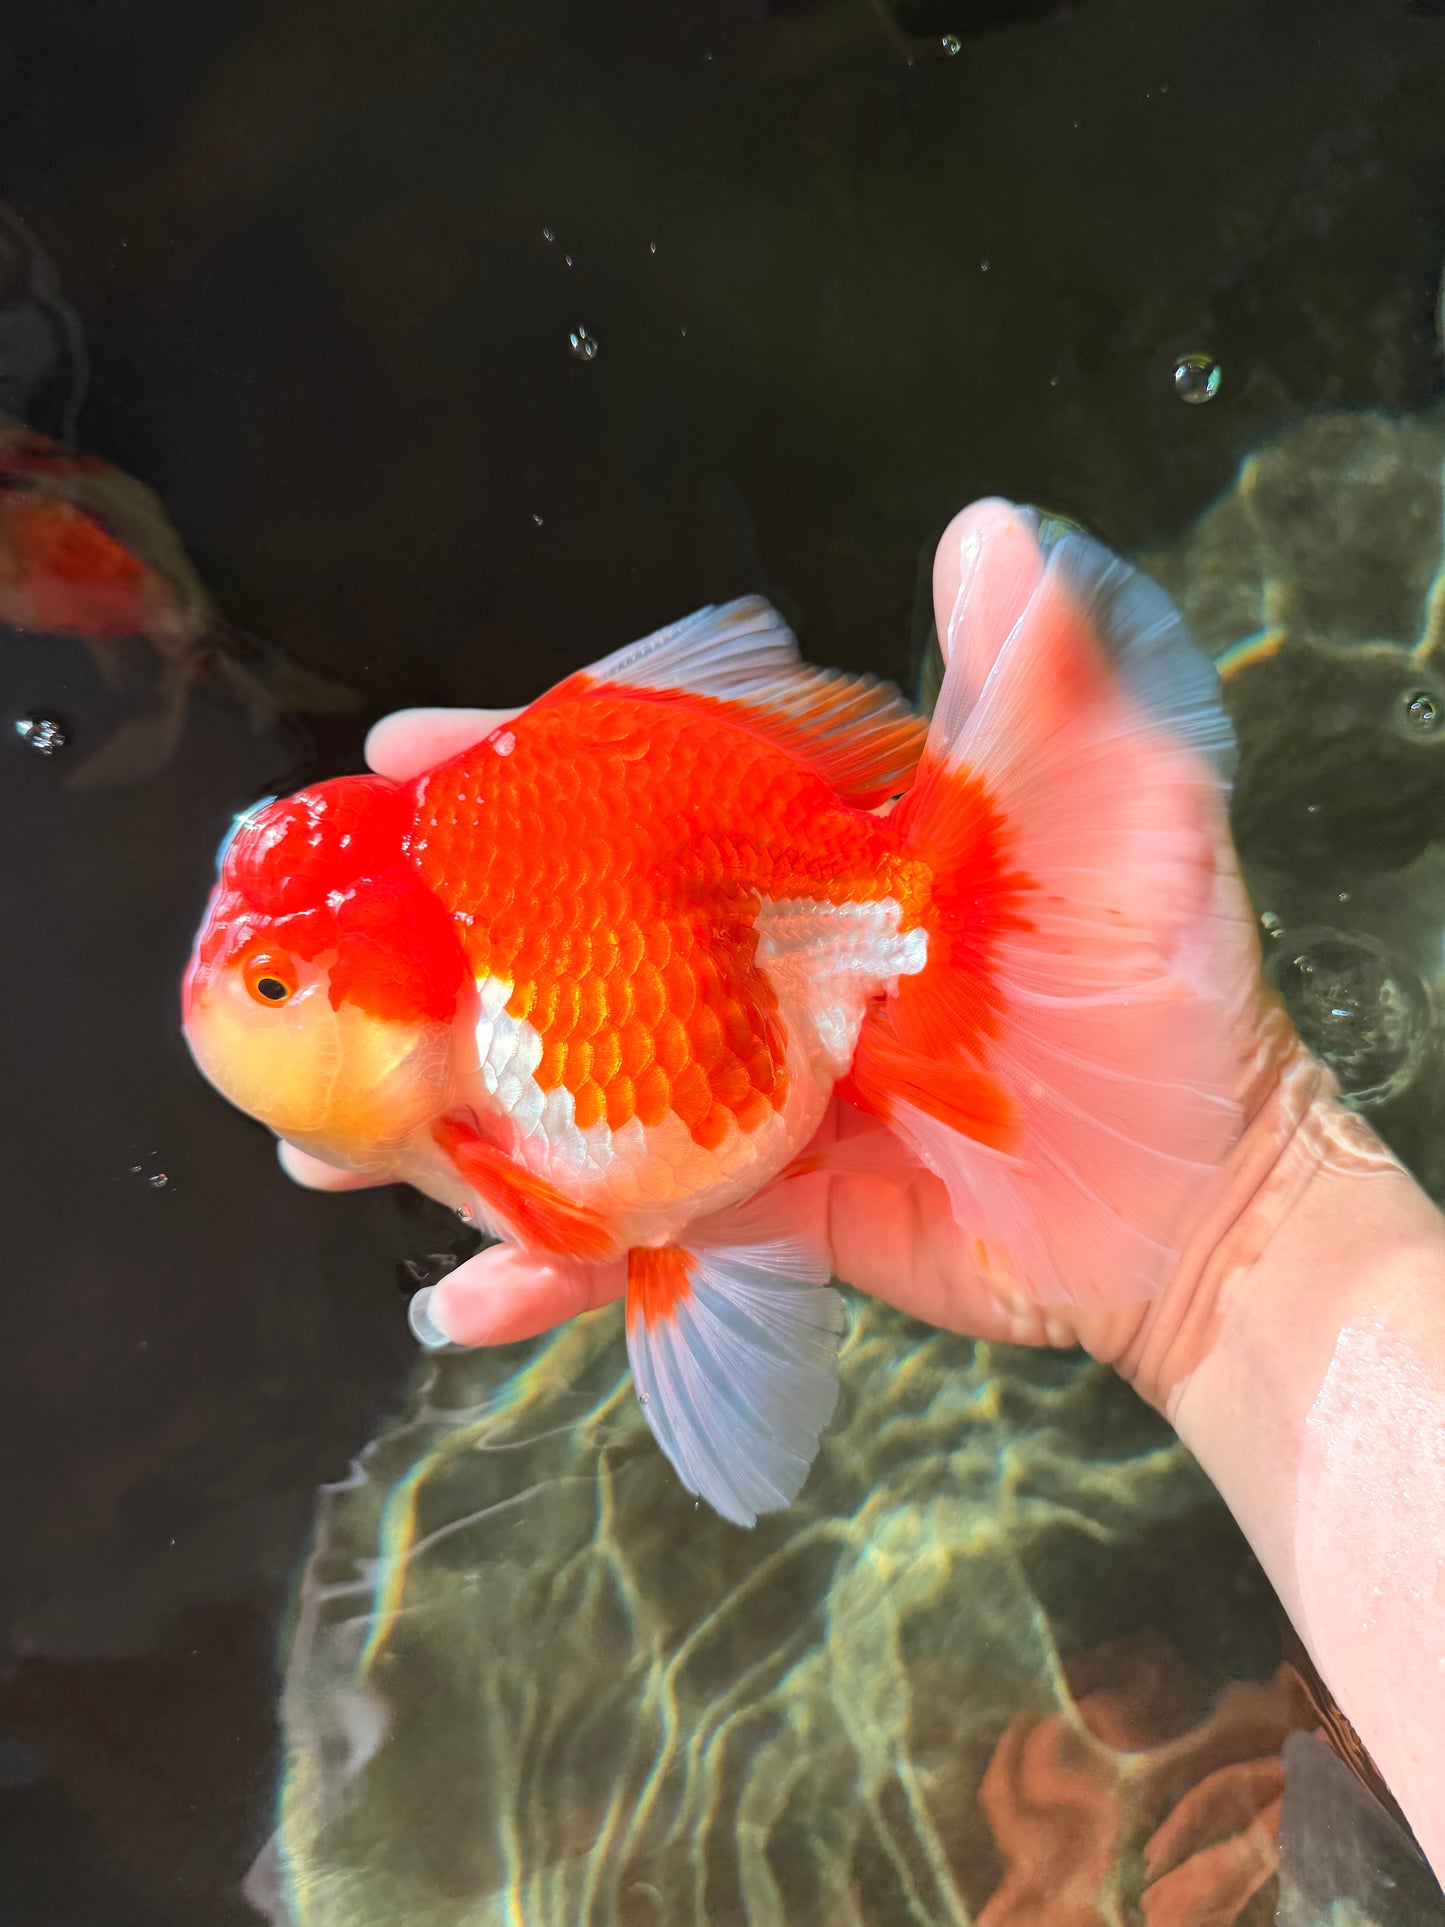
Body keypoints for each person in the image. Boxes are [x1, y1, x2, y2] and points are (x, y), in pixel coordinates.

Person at [280, 511, 1445, 1880]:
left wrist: (1228, 1216)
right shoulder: (447, 1080)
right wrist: (1235, 1227)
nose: (240, 1012)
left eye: (275, 988)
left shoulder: (485, 1073)